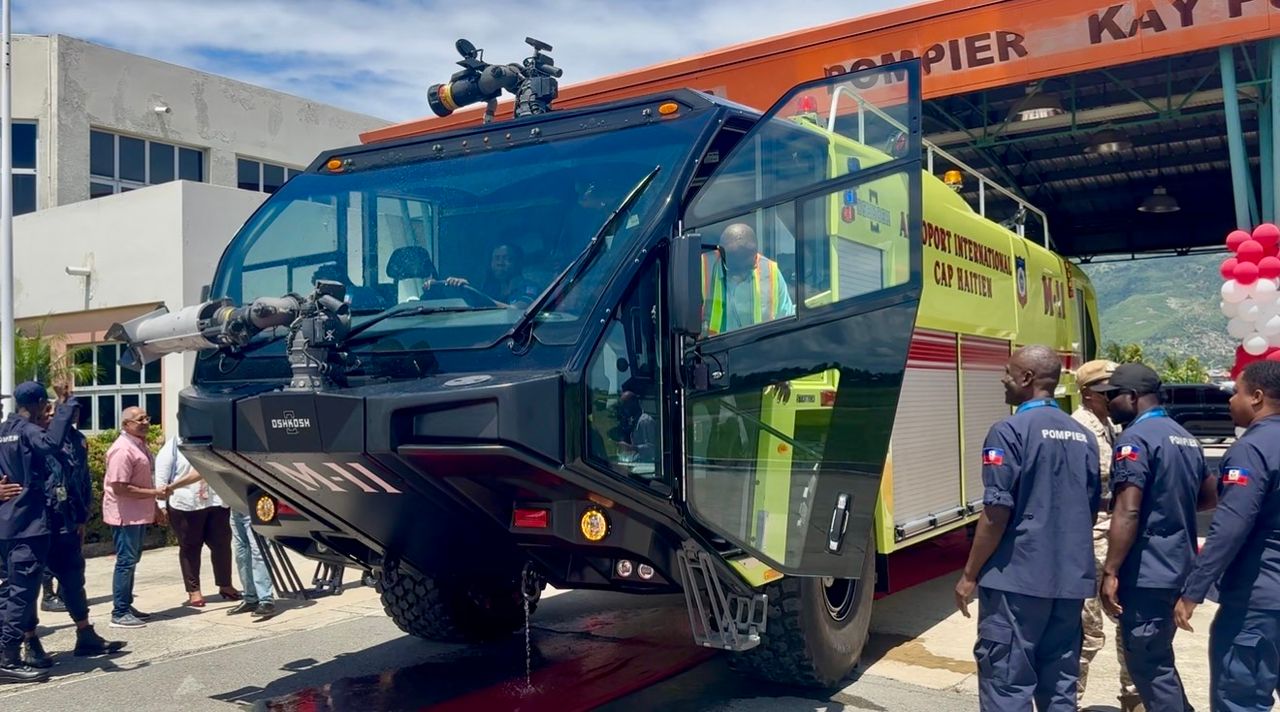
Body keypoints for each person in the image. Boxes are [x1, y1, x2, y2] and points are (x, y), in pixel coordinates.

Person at [954, 345, 1100, 711]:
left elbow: (995, 513)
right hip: (1069, 583)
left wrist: (970, 574)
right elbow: (1090, 508)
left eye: (1008, 372)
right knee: (1060, 686)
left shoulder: (1008, 432)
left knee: (1007, 683)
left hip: (1017, 583)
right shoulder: (1083, 436)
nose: (1003, 379)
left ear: (1027, 378)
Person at [1092, 363, 1216, 711]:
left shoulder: (1135, 439)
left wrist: (1111, 571)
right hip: (1177, 565)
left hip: (1147, 571)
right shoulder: (1184, 436)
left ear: (1132, 397)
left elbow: (1128, 510)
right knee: (1158, 657)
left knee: (1148, 663)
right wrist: (1169, 508)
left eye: (1112, 395)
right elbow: (1209, 496)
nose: (1107, 403)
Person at [1176, 360, 1280, 712]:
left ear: (1257, 397)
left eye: (1236, 392)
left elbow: (1230, 526)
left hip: (1258, 601)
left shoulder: (1253, 448)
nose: (1230, 401)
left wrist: (1193, 591)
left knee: (1240, 700)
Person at [22, 392, 124, 666]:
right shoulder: (28, 440)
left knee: (73, 579)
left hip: (64, 522)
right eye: (48, 413)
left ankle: (85, 633)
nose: (51, 418)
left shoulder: (75, 441)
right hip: (32, 525)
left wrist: (81, 517)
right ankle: (30, 640)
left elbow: (80, 480)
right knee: (27, 585)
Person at [1070, 359, 1143, 712]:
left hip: (1114, 535)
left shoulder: (1113, 427)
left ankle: (1133, 697)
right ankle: (1067, 700)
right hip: (1088, 540)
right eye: (1107, 392)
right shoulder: (1077, 430)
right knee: (1086, 631)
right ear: (1088, 394)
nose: (1114, 397)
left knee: (1126, 621)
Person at [0, 381, 79, 682]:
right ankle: (8, 658)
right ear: (37, 404)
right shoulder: (26, 430)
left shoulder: (3, 430)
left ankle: (5, 653)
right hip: (28, 527)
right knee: (21, 595)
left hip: (7, 526)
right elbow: (51, 443)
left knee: (9, 591)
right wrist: (66, 405)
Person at [155, 436, 240, 607]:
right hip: (187, 504)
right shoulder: (173, 446)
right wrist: (161, 505)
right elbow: (161, 479)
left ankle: (225, 585)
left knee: (222, 545)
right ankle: (194, 591)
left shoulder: (213, 440)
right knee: (190, 547)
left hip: (216, 501)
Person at [102, 406, 163, 628]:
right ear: (126, 424)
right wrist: (154, 493)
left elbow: (145, 480)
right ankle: (119, 612)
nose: (146, 422)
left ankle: (126, 605)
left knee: (132, 560)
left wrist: (155, 506)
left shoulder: (139, 445)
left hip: (138, 514)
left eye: (147, 418)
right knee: (125, 562)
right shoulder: (122, 449)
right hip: (125, 516)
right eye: (139, 419)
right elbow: (120, 487)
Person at [700, 223, 794, 337]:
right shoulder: (702, 269)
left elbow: (787, 321)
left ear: (755, 255)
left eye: (747, 268)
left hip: (758, 345)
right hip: (713, 347)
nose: (741, 275)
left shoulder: (770, 272)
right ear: (721, 255)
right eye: (735, 270)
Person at [440, 244, 540, 309]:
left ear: (519, 263)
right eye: (496, 258)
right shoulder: (490, 289)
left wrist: (474, 294)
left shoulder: (530, 288)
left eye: (506, 258)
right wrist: (462, 288)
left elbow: (517, 311)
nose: (500, 263)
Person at [228, 508, 277, 621]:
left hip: (255, 507)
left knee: (259, 552)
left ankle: (266, 600)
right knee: (241, 555)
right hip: (236, 509)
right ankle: (251, 598)